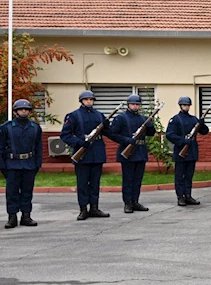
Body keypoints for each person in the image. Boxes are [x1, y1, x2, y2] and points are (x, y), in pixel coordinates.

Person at [60, 90, 112, 220]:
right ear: (81, 101)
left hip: (97, 153)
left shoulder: (99, 115)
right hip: (82, 154)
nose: (89, 101)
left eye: (91, 99)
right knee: (82, 183)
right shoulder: (73, 116)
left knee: (95, 183)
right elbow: (65, 135)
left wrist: (107, 125)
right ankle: (83, 209)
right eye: (86, 99)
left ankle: (94, 207)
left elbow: (108, 133)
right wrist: (79, 142)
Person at [0, 99, 42, 229]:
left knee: (27, 191)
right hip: (12, 163)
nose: (23, 111)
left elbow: (38, 147)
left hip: (29, 163)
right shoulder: (6, 127)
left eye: (26, 109)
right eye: (21, 109)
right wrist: (1, 165)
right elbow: (0, 148)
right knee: (12, 192)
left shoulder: (35, 127)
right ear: (15, 111)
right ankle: (12, 217)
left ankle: (26, 216)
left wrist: (37, 164)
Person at [109, 94, 155, 213]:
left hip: (140, 151)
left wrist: (150, 126)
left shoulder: (143, 118)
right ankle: (128, 203)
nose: (135, 106)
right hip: (128, 152)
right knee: (128, 179)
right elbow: (113, 134)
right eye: (133, 104)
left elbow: (150, 134)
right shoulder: (121, 118)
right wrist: (126, 140)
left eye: (137, 104)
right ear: (128, 105)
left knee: (138, 179)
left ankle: (135, 201)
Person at [166, 96, 209, 206]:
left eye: (188, 105)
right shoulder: (175, 119)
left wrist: (202, 123)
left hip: (192, 151)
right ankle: (180, 196)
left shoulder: (193, 119)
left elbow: (204, 132)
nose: (186, 107)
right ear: (180, 106)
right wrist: (183, 141)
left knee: (189, 175)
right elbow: (169, 134)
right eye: (184, 105)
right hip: (181, 151)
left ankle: (188, 195)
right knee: (180, 175)